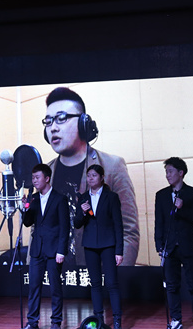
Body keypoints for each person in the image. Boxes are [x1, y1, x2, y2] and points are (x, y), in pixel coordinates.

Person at [43, 87, 139, 266]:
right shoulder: (46, 172)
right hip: (54, 276)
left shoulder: (113, 167)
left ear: (83, 123)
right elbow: (37, 232)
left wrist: (112, 277)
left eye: (61, 118)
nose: (53, 128)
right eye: (48, 121)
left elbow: (128, 233)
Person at [154, 158, 193, 329]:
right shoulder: (161, 195)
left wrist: (182, 208)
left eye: (170, 171)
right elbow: (159, 222)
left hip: (188, 246)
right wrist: (159, 245)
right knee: (171, 286)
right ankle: (176, 319)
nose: (167, 175)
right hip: (169, 247)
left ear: (181, 172)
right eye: (166, 172)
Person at [21, 163, 70, 329]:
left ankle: (56, 321)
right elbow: (27, 223)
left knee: (55, 288)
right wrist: (26, 207)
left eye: (37, 177)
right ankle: (32, 321)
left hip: (54, 250)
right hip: (37, 250)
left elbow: (65, 227)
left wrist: (61, 251)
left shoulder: (60, 198)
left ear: (47, 178)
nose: (34, 181)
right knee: (34, 286)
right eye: (33, 178)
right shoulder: (33, 199)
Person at [75, 165, 124, 329]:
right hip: (90, 245)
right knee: (95, 283)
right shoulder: (83, 197)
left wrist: (119, 251)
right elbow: (77, 223)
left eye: (94, 175)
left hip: (108, 244)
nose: (90, 178)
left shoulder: (111, 197)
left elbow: (118, 224)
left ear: (102, 177)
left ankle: (117, 319)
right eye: (88, 175)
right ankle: (98, 319)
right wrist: (83, 213)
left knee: (112, 283)